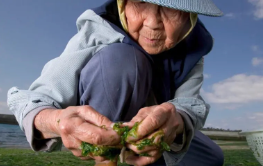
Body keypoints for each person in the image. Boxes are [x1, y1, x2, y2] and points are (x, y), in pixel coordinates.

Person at [7, 0, 224, 165]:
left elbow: (189, 102)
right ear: (123, 4)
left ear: (190, 17)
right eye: (140, 2)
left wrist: (178, 118)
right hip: (105, 123)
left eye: (171, 9)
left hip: (157, 136)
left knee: (212, 157)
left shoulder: (193, 47)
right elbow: (33, 101)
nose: (152, 23)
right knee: (121, 59)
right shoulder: (96, 31)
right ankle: (107, 159)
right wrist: (55, 120)